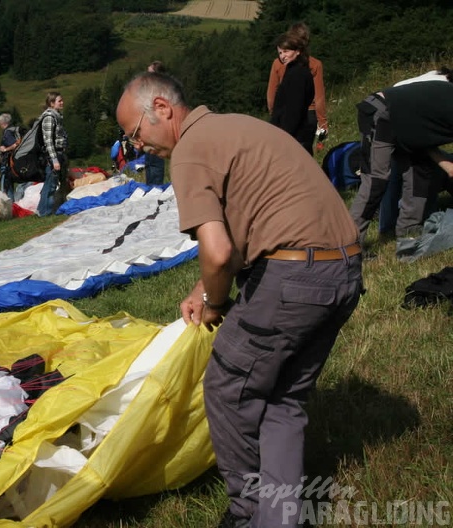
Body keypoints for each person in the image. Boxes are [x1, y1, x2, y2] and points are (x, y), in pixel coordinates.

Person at [116, 72, 363, 528]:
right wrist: (201, 286)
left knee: (229, 388)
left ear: (163, 110)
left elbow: (218, 251)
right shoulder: (234, 127)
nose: (136, 147)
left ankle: (248, 513)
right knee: (281, 398)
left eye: (135, 133)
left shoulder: (189, 152)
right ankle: (282, 517)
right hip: (342, 270)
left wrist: (212, 301)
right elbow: (245, 228)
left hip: (293, 278)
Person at [349, 79, 453, 250]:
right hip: (382, 113)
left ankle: (408, 236)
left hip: (410, 126)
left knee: (419, 175)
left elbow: (425, 136)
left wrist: (446, 164)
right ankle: (349, 244)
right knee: (377, 180)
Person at [267, 22, 328, 152]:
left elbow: (272, 93)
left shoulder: (279, 63)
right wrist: (323, 123)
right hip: (309, 114)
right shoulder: (315, 64)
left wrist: (274, 115)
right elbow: (319, 97)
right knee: (305, 153)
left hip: (286, 118)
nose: (282, 55)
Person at [269, 31, 315, 154]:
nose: (282, 56)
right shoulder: (296, 71)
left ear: (298, 51)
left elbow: (294, 110)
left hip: (293, 137)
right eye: (280, 52)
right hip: (295, 135)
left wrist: (283, 136)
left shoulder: (297, 75)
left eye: (286, 51)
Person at [36, 92, 68, 216]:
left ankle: (45, 210)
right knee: (50, 184)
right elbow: (48, 140)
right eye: (59, 101)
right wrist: (54, 160)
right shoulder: (49, 117)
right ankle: (45, 212)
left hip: (59, 154)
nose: (62, 103)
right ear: (51, 103)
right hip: (53, 156)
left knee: (52, 184)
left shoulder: (57, 116)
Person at [144, 61, 167, 184]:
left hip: (158, 129)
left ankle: (156, 190)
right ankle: (150, 189)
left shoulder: (163, 90)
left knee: (155, 162)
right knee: (149, 162)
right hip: (149, 129)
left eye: (150, 73)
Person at [0, 113, 20, 201]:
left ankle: (10, 207)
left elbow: (15, 144)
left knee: (6, 187)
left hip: (7, 164)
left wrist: (5, 150)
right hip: (13, 163)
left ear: (2, 122)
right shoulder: (13, 130)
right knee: (9, 185)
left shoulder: (7, 133)